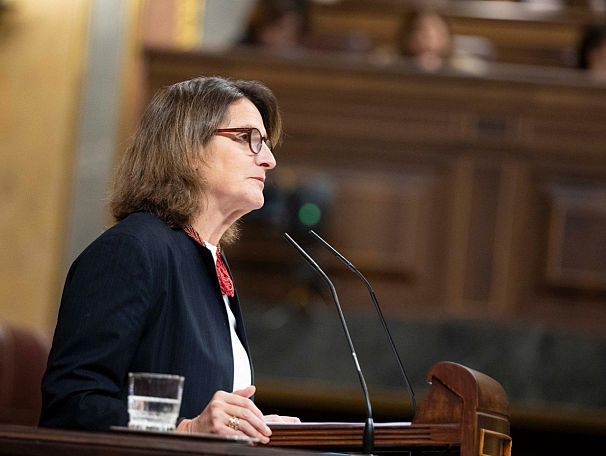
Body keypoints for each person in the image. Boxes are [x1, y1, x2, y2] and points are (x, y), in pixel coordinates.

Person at [39, 76, 300, 442]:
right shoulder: (131, 251)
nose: (269, 160)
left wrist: (253, 428)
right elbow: (71, 405)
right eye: (248, 139)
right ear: (188, 146)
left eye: (267, 145)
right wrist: (185, 429)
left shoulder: (206, 257)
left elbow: (205, 409)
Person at [239, 0, 309, 51]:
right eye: (280, 27)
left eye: (295, 30)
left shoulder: (301, 56)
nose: (288, 37)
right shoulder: (240, 51)